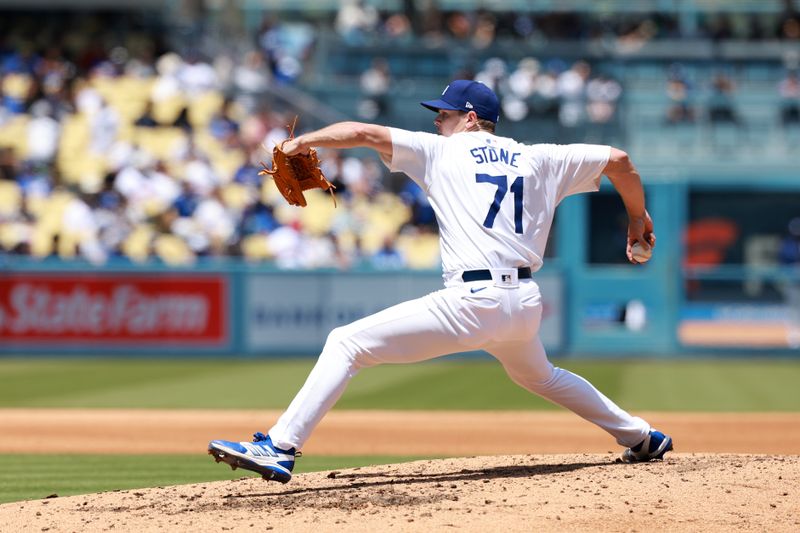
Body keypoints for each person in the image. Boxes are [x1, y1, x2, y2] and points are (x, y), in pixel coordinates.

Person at [208, 80, 673, 483]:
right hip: (525, 302)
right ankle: (641, 436)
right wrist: (638, 218)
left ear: (471, 118)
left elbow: (364, 133)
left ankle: (281, 447)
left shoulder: (441, 151)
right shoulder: (541, 157)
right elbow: (620, 159)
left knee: (346, 343)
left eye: (444, 114)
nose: (436, 122)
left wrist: (302, 140)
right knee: (540, 375)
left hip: (474, 299)